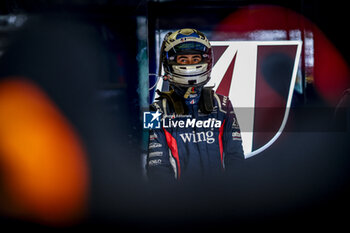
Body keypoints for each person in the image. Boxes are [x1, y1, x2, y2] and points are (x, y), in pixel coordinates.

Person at [147, 28, 244, 181]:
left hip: (221, 198)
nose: (190, 64)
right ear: (170, 62)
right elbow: (156, 166)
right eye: (183, 60)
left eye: (195, 59)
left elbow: (236, 157)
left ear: (206, 60)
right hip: (179, 201)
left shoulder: (223, 104)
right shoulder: (155, 110)